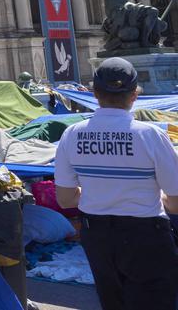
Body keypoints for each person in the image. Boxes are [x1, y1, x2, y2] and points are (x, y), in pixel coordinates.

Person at [54, 57, 178, 310]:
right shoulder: (151, 135)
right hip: (146, 236)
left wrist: (99, 193)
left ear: (94, 92)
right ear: (134, 95)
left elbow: (65, 199)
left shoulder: (72, 134)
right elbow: (176, 203)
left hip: (97, 235)